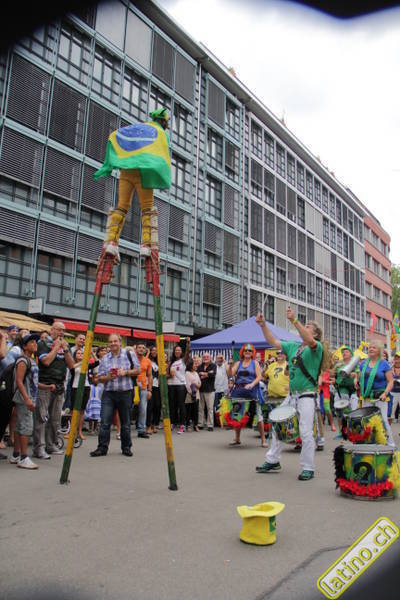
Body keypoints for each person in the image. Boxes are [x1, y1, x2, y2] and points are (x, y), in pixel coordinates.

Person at [255, 308, 329, 481]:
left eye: (308, 326)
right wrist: (263, 325)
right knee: (277, 425)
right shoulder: (293, 346)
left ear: (315, 334)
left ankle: (308, 467)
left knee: (305, 431)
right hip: (292, 396)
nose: (304, 327)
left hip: (307, 396)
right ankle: (273, 460)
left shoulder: (316, 348)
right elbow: (273, 341)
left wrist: (294, 320)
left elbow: (309, 340)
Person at [94, 108, 170, 262]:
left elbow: (116, 136)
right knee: (147, 209)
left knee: (122, 207)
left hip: (126, 171)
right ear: (164, 122)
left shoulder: (138, 129)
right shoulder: (160, 133)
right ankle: (146, 246)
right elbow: (161, 155)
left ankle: (111, 243)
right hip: (143, 172)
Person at [90, 334, 140, 457]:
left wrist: (125, 372)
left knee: (125, 423)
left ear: (120, 342)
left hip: (126, 392)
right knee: (105, 422)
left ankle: (126, 447)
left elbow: (138, 370)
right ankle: (102, 448)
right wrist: (108, 377)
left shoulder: (129, 354)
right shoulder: (105, 358)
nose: (113, 343)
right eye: (110, 341)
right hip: (109, 393)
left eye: (115, 341)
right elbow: (99, 378)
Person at [10, 334, 53, 469]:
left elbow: (33, 382)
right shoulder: (23, 360)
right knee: (26, 427)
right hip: (24, 399)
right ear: (24, 346)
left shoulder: (32, 360)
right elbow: (19, 381)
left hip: (28, 398)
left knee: (20, 426)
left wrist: (46, 387)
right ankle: (23, 457)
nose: (35, 344)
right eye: (32, 342)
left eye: (36, 342)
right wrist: (27, 399)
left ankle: (16, 454)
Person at [33, 321, 74, 459]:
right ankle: (39, 448)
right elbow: (46, 361)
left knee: (55, 418)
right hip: (45, 384)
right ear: (52, 330)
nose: (62, 333)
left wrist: (66, 349)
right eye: (59, 329)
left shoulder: (65, 345)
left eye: (63, 330)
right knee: (41, 417)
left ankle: (50, 445)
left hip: (59, 386)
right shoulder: (43, 343)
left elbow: (71, 365)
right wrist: (56, 347)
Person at [358, 340, 395, 447]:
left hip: (380, 397)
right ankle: (370, 444)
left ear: (379, 350)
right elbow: (360, 377)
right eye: (370, 347)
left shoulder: (384, 364)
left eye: (374, 347)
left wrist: (385, 393)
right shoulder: (364, 363)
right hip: (366, 397)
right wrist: (356, 381)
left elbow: (391, 381)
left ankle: (391, 445)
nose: (371, 349)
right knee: (367, 421)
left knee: (383, 420)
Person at [227, 344, 263, 446]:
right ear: (242, 352)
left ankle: (263, 440)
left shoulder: (255, 363)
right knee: (237, 414)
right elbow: (230, 374)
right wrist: (230, 365)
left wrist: (252, 384)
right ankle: (237, 439)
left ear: (252, 353)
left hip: (252, 392)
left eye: (250, 351)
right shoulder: (238, 363)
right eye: (246, 350)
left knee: (258, 415)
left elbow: (259, 376)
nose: (247, 352)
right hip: (238, 391)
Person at [167, 338, 190, 434]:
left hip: (180, 385)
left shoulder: (183, 360)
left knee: (181, 405)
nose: (177, 352)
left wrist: (188, 343)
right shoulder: (170, 362)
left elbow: (187, 352)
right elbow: (166, 374)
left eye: (179, 350)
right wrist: (169, 375)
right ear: (174, 352)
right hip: (171, 385)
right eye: (176, 350)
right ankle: (172, 423)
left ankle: (182, 425)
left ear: (181, 352)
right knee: (172, 406)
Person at [85, 346, 107, 434]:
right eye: (102, 351)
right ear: (98, 353)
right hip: (97, 384)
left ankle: (99, 423)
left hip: (105, 383)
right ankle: (92, 426)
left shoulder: (108, 361)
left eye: (105, 351)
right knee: (95, 404)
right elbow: (94, 374)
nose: (104, 352)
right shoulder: (96, 361)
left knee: (102, 404)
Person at [135, 343, 153, 438]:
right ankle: (124, 430)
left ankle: (141, 430)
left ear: (145, 350)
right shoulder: (132, 359)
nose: (141, 349)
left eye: (143, 348)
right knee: (128, 408)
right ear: (136, 349)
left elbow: (150, 376)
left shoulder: (148, 361)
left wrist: (149, 389)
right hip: (132, 387)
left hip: (143, 388)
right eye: (139, 347)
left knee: (143, 409)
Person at [198, 352, 217, 431]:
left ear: (210, 358)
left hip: (210, 390)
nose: (205, 358)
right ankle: (200, 424)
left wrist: (203, 374)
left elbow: (213, 375)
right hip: (200, 390)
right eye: (204, 357)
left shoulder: (213, 365)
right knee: (200, 408)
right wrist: (208, 374)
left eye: (207, 357)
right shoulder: (200, 366)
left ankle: (210, 425)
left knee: (210, 408)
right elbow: (198, 375)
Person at [147, 346, 161, 433]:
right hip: (149, 386)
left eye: (156, 350)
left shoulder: (158, 362)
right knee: (150, 406)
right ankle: (148, 425)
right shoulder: (147, 360)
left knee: (157, 406)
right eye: (153, 350)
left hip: (157, 386)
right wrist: (147, 353)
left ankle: (155, 424)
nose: (154, 352)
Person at [184, 358, 201, 431]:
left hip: (197, 394)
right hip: (190, 394)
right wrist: (191, 392)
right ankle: (188, 425)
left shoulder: (196, 373)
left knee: (196, 410)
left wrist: (197, 385)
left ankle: (195, 425)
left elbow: (199, 382)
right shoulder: (187, 373)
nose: (196, 365)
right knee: (189, 410)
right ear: (191, 365)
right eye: (194, 364)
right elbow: (187, 385)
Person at [214, 354, 229, 427]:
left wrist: (224, 360)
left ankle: (224, 421)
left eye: (221, 358)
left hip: (224, 390)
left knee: (224, 406)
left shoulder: (225, 366)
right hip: (216, 390)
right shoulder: (214, 367)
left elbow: (229, 373)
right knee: (217, 407)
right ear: (216, 359)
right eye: (218, 358)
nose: (219, 360)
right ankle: (218, 422)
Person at [390, 351, 400, 424]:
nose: (396, 359)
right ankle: (393, 418)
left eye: (398, 358)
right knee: (393, 405)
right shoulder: (391, 368)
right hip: (393, 390)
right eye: (395, 357)